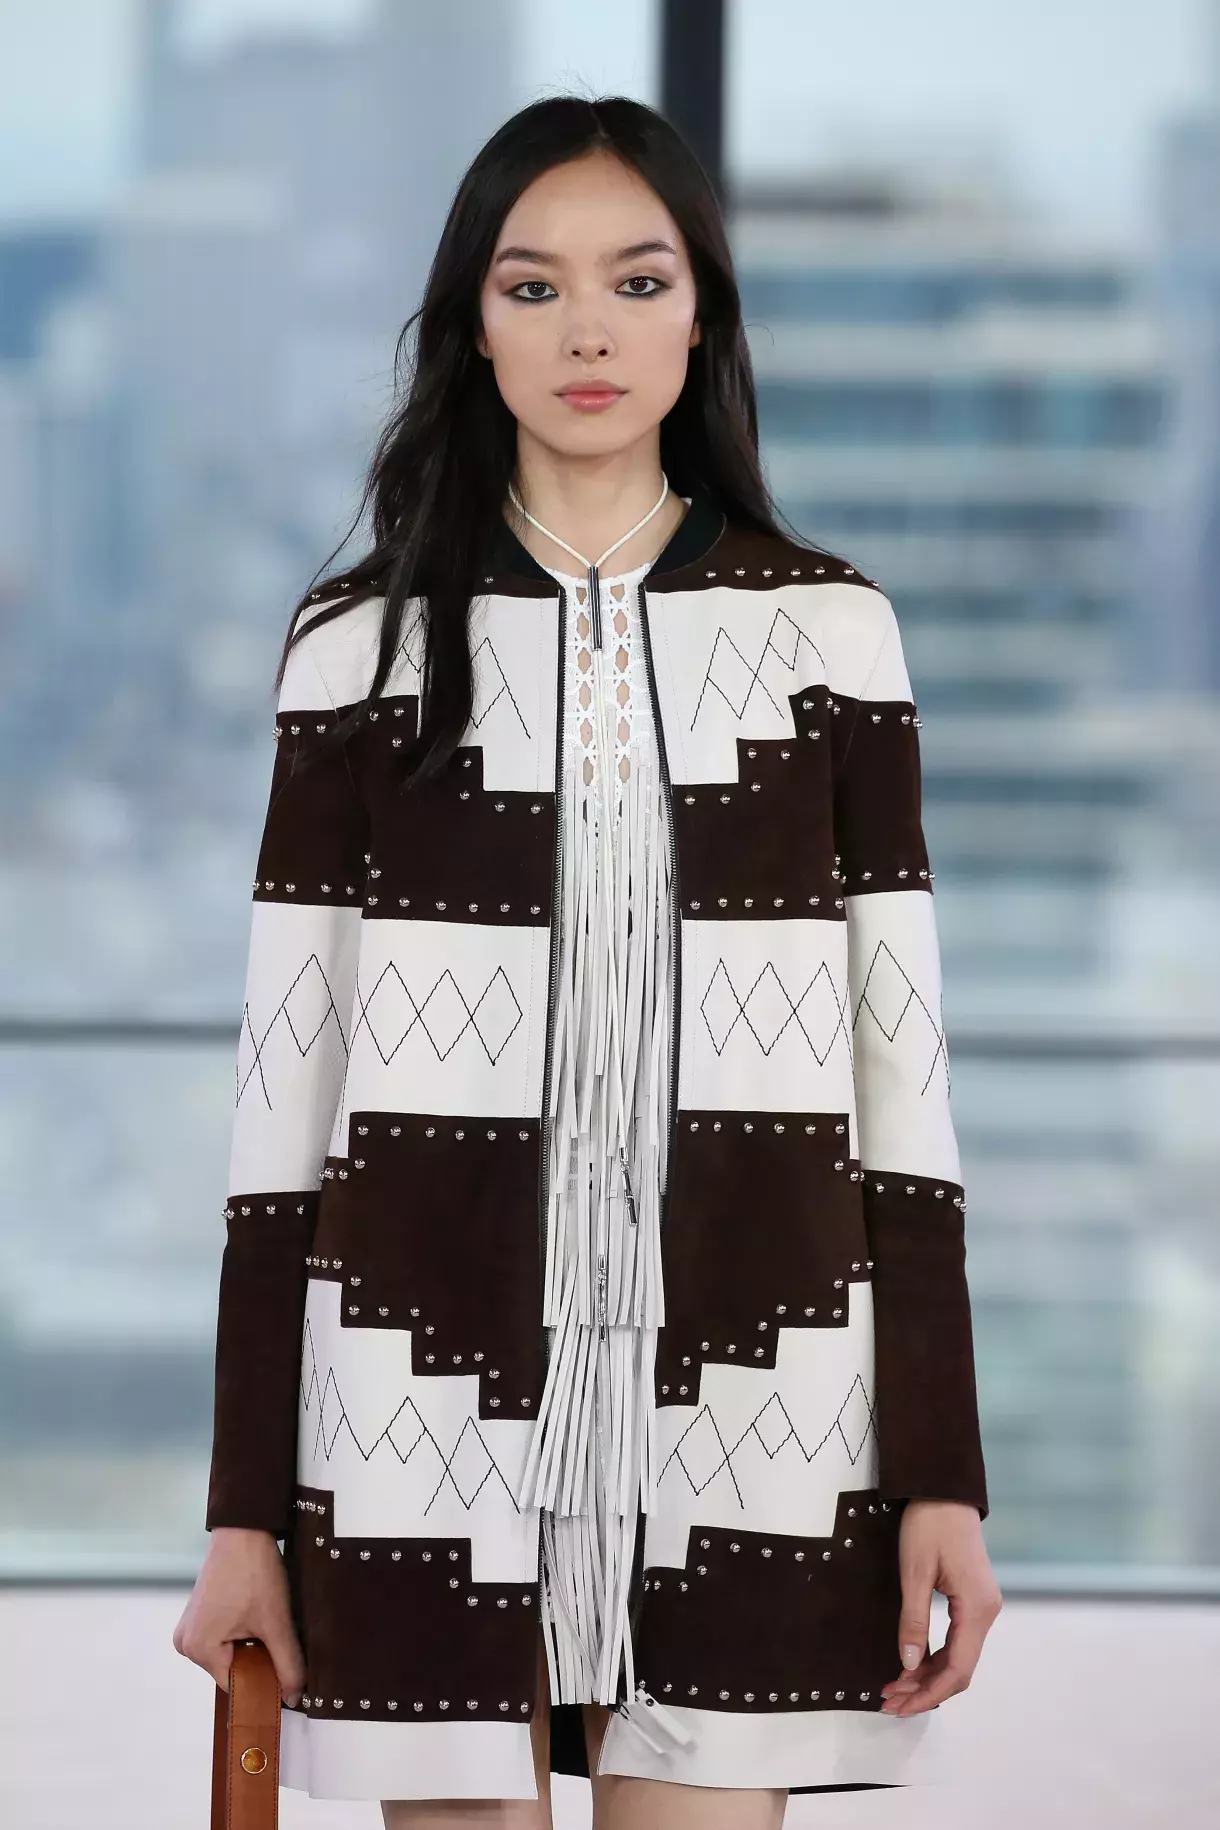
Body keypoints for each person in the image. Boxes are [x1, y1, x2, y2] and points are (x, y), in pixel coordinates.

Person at [173, 94, 1002, 1828]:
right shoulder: (359, 652)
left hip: (764, 1407)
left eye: (637, 280)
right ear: (474, 326)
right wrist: (242, 1510)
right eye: (532, 286)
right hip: (415, 1419)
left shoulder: (828, 633)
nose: (589, 332)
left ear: (702, 313)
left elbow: (900, 1091)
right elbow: (281, 1123)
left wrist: (943, 1472)